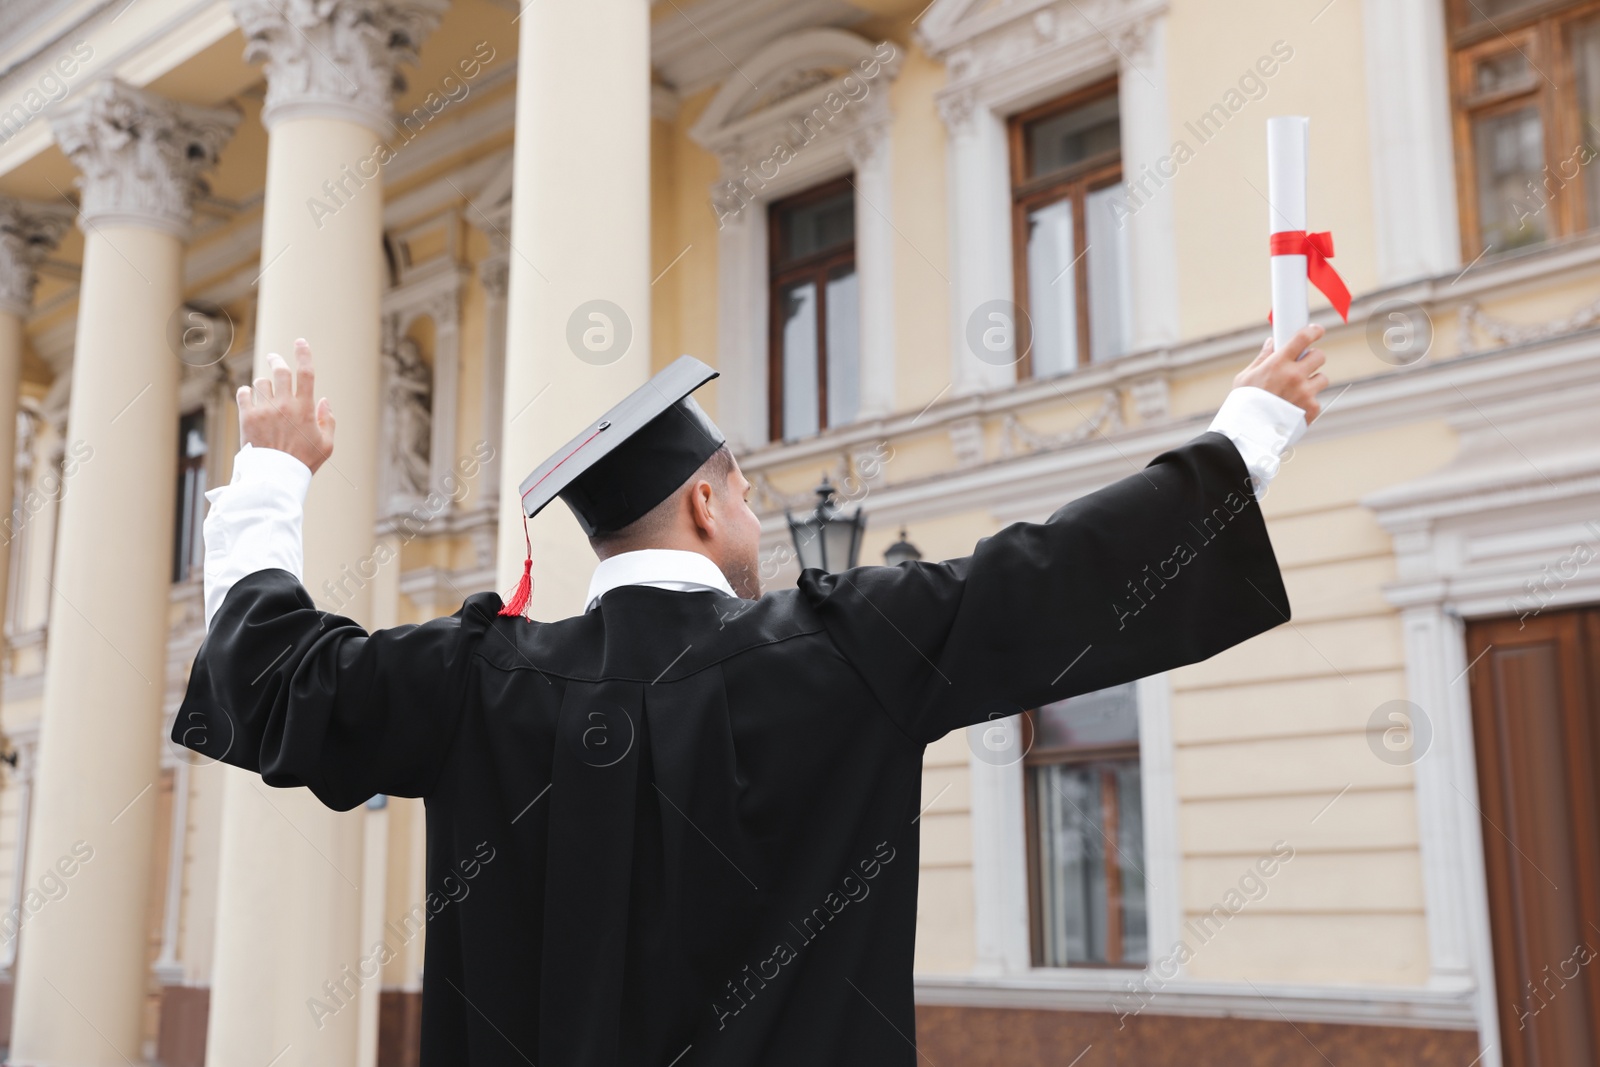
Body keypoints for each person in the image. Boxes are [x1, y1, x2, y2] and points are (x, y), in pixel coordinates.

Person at [177, 326, 1330, 1066]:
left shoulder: (475, 681)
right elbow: (1047, 576)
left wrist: (272, 472)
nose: (756, 518)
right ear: (705, 502)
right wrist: (1250, 430)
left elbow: (274, 673)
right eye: (745, 492)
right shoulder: (848, 651)